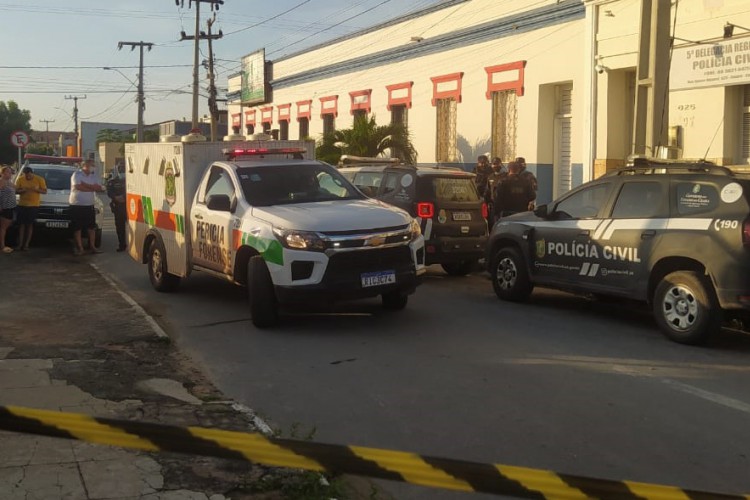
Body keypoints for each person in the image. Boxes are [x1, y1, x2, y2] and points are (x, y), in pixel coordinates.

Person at [70, 159, 105, 256]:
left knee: (91, 227)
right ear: (84, 165)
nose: (93, 167)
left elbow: (99, 188)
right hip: (77, 205)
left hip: (89, 205)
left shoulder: (94, 176)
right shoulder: (77, 175)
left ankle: (93, 247)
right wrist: (91, 188)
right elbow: (78, 187)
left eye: (93, 165)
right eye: (91, 165)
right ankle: (80, 248)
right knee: (77, 228)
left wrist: (85, 185)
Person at [14, 166, 48, 251]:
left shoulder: (39, 179)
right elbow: (15, 191)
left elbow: (45, 191)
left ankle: (26, 244)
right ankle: (20, 244)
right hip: (22, 205)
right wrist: (22, 191)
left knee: (29, 225)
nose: (27, 177)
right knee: (21, 224)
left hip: (33, 206)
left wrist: (37, 190)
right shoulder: (20, 179)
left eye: (29, 175)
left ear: (32, 173)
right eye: (26, 175)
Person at [106, 163, 127, 251]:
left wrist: (124, 197)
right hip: (118, 206)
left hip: (129, 205)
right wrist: (116, 197)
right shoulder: (112, 182)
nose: (122, 171)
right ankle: (122, 245)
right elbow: (109, 192)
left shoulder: (129, 180)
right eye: (120, 169)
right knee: (120, 227)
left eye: (123, 169)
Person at [0, 166, 17, 253]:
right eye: (7, 172)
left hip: (11, 208)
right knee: (3, 228)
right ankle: (2, 246)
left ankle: (4, 244)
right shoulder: (1, 182)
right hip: (5, 207)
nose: (10, 174)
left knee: (6, 227)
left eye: (10, 172)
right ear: (2, 173)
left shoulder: (9, 182)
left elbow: (16, 188)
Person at [485, 157, 506, 226]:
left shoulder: (505, 176)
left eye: (497, 164)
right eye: (494, 164)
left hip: (503, 205)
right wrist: (487, 202)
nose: (495, 166)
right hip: (493, 204)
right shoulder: (490, 177)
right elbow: (488, 191)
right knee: (493, 224)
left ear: (500, 164)